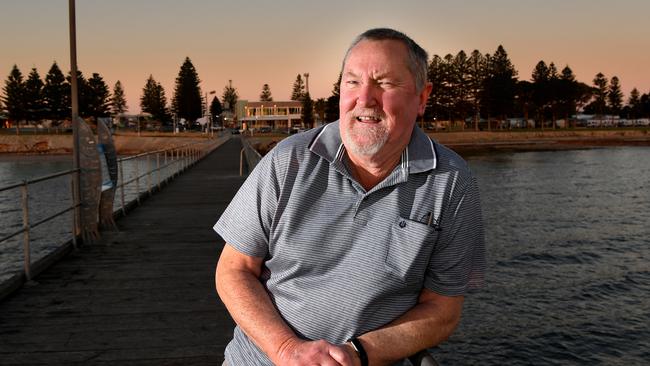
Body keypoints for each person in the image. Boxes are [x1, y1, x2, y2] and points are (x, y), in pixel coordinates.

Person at [214, 28, 485, 366]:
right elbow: (233, 269)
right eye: (352, 82)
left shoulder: (452, 182)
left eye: (385, 83)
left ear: (422, 97)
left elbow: (443, 310)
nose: (365, 98)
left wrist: (357, 353)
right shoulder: (288, 161)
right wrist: (287, 350)